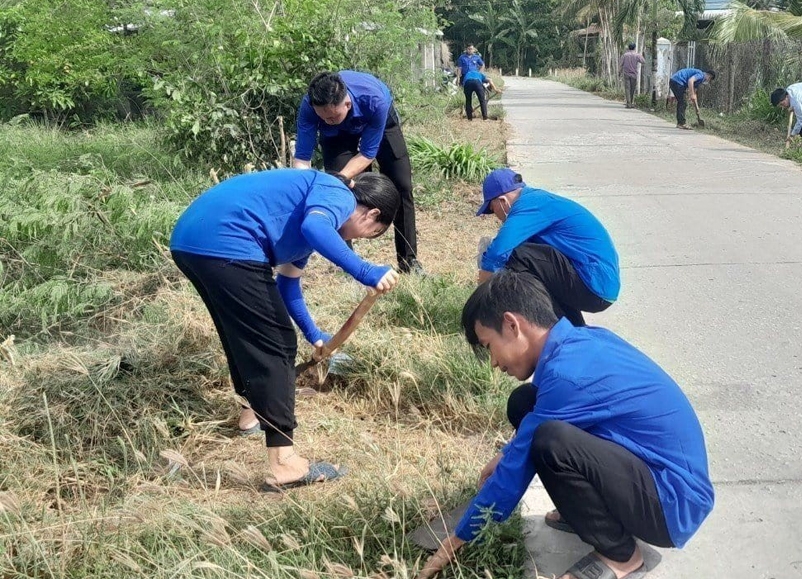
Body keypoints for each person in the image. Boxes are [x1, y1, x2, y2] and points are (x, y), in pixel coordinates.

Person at [416, 271, 715, 579]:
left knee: (549, 441)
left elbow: (516, 470)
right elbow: (530, 433)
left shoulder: (568, 376)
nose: (493, 362)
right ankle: (587, 516)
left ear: (511, 324)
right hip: (654, 477)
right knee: (525, 402)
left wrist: (451, 546)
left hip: (671, 505)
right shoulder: (580, 343)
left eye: (488, 345)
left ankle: (621, 556)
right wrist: (506, 454)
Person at [169, 169, 400, 491]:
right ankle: (284, 464)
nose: (354, 241)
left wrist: (314, 334)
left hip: (192, 242)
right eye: (367, 234)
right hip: (228, 240)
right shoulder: (338, 194)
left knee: (245, 335)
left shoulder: (307, 218)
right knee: (276, 343)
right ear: (372, 213)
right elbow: (317, 227)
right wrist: (365, 270)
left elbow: (288, 286)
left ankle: (251, 414)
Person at [293, 71, 423, 274]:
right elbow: (302, 157)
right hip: (337, 137)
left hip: (379, 119)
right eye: (323, 117)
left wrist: (341, 178)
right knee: (338, 193)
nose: (328, 120)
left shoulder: (374, 100)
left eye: (333, 115)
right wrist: (304, 188)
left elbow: (367, 154)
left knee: (402, 186)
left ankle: (409, 262)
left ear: (347, 104)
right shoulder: (311, 107)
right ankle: (347, 263)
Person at [475, 167, 620, 327]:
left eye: (492, 209)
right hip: (598, 284)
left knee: (516, 256)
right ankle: (574, 334)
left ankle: (520, 325)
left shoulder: (529, 206)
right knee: (534, 263)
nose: (496, 216)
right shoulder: (538, 200)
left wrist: (484, 284)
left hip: (593, 284)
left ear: (502, 201)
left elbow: (498, 252)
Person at [620, 42, 645, 109]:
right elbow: (643, 61)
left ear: (628, 47)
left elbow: (621, 64)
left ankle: (628, 103)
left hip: (626, 74)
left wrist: (619, 72)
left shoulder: (625, 55)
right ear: (634, 47)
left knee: (627, 89)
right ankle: (630, 102)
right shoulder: (637, 55)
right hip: (634, 74)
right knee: (632, 89)